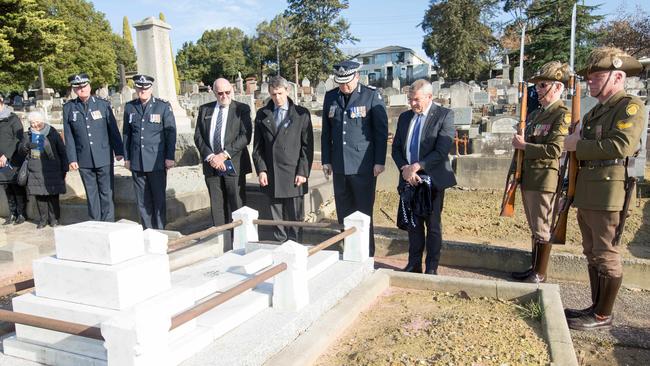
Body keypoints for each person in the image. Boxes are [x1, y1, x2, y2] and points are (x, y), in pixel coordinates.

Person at [563, 47, 645, 330]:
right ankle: (596, 307)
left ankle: (602, 316)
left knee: (606, 253)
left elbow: (622, 145)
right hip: (589, 190)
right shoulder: (596, 111)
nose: (591, 81)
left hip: (610, 192)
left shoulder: (629, 106)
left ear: (618, 76)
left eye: (597, 76)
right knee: (592, 252)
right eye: (590, 76)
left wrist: (578, 145)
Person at [510, 61, 571, 283]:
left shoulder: (561, 115)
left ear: (557, 87)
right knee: (535, 226)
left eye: (543, 85)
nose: (538, 89)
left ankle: (540, 273)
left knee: (543, 226)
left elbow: (555, 149)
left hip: (545, 178)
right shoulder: (536, 114)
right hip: (529, 176)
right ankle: (534, 267)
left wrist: (525, 146)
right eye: (537, 85)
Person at [321, 60, 388, 257]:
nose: (344, 86)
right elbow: (327, 132)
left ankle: (367, 254)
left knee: (363, 213)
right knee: (344, 212)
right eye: (340, 82)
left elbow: (380, 132)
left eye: (348, 82)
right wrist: (326, 159)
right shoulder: (331, 96)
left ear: (357, 77)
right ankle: (349, 251)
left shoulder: (370, 95)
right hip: (340, 166)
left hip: (363, 166)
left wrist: (379, 161)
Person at [391, 79, 456, 274]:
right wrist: (405, 168)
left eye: (416, 100)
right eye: (410, 99)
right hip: (408, 179)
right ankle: (414, 264)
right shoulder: (404, 118)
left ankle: (431, 268)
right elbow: (396, 148)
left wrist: (416, 167)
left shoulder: (444, 115)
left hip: (432, 180)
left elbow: (441, 150)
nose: (412, 104)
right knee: (413, 224)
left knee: (433, 225)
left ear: (429, 97)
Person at [252, 76, 314, 242]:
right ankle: (279, 245)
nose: (277, 98)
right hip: (272, 173)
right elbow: (257, 147)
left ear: (287, 91)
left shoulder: (301, 114)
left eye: (280, 93)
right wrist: (262, 170)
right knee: (276, 218)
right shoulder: (262, 114)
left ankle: (296, 247)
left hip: (294, 173)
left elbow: (307, 147)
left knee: (295, 218)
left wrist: (303, 171)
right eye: (273, 94)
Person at [63, 73, 124, 221]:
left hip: (103, 155)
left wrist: (119, 151)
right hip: (83, 158)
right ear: (74, 90)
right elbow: (69, 136)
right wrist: (72, 158)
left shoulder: (102, 104)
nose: (81, 89)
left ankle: (108, 221)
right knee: (91, 193)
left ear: (89, 86)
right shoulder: (69, 108)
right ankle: (95, 222)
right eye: (77, 87)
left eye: (84, 86)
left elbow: (113, 130)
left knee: (106, 192)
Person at [194, 78, 252, 229]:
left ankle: (240, 237)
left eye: (227, 92)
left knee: (236, 204)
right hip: (211, 164)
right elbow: (198, 136)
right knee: (217, 204)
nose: (224, 96)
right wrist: (211, 156)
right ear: (214, 92)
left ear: (232, 90)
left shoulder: (241, 109)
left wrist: (223, 155)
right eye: (220, 93)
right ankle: (221, 237)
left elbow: (245, 136)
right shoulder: (205, 109)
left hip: (233, 164)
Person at [122, 75, 177, 229]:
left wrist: (169, 157)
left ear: (151, 89)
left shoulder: (162, 106)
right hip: (137, 160)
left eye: (145, 88)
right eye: (139, 87)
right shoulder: (130, 107)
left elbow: (170, 133)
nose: (142, 91)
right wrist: (126, 158)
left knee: (158, 199)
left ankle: (160, 230)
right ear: (136, 88)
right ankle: (147, 230)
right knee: (142, 200)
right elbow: (126, 133)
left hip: (156, 161)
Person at [20, 111, 68, 228]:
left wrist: (65, 167)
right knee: (40, 196)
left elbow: (61, 150)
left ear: (43, 121)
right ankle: (43, 220)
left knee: (53, 196)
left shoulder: (52, 132)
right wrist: (26, 146)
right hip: (35, 169)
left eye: (37, 122)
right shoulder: (28, 135)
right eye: (32, 123)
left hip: (53, 168)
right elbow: (21, 151)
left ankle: (54, 219)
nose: (35, 125)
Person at [0, 93, 27, 225]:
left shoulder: (12, 118)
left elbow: (18, 138)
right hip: (0, 160)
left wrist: (7, 155)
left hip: (13, 158)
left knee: (16, 186)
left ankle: (21, 213)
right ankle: (12, 213)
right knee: (6, 187)